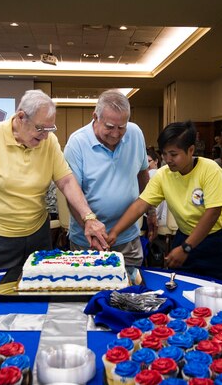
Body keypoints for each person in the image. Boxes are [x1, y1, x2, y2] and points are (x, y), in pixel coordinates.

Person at [0, 89, 109, 274]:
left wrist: (88, 217)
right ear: (21, 117)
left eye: (50, 129)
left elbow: (66, 181)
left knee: (37, 291)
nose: (45, 136)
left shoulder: (48, 142)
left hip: (37, 235)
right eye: (40, 129)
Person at [107, 121, 222, 284]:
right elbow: (140, 205)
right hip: (184, 237)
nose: (168, 159)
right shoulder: (164, 175)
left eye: (173, 154)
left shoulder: (210, 169)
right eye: (164, 154)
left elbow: (213, 212)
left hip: (216, 242)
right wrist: (114, 232)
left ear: (191, 150)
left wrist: (187, 247)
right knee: (182, 290)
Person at [63, 90, 156, 281]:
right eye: (110, 127)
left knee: (129, 291)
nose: (116, 134)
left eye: (121, 128)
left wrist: (151, 211)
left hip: (127, 236)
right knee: (87, 293)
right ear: (95, 117)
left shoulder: (135, 133)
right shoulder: (77, 143)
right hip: (87, 240)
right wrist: (89, 227)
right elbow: (72, 196)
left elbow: (142, 175)